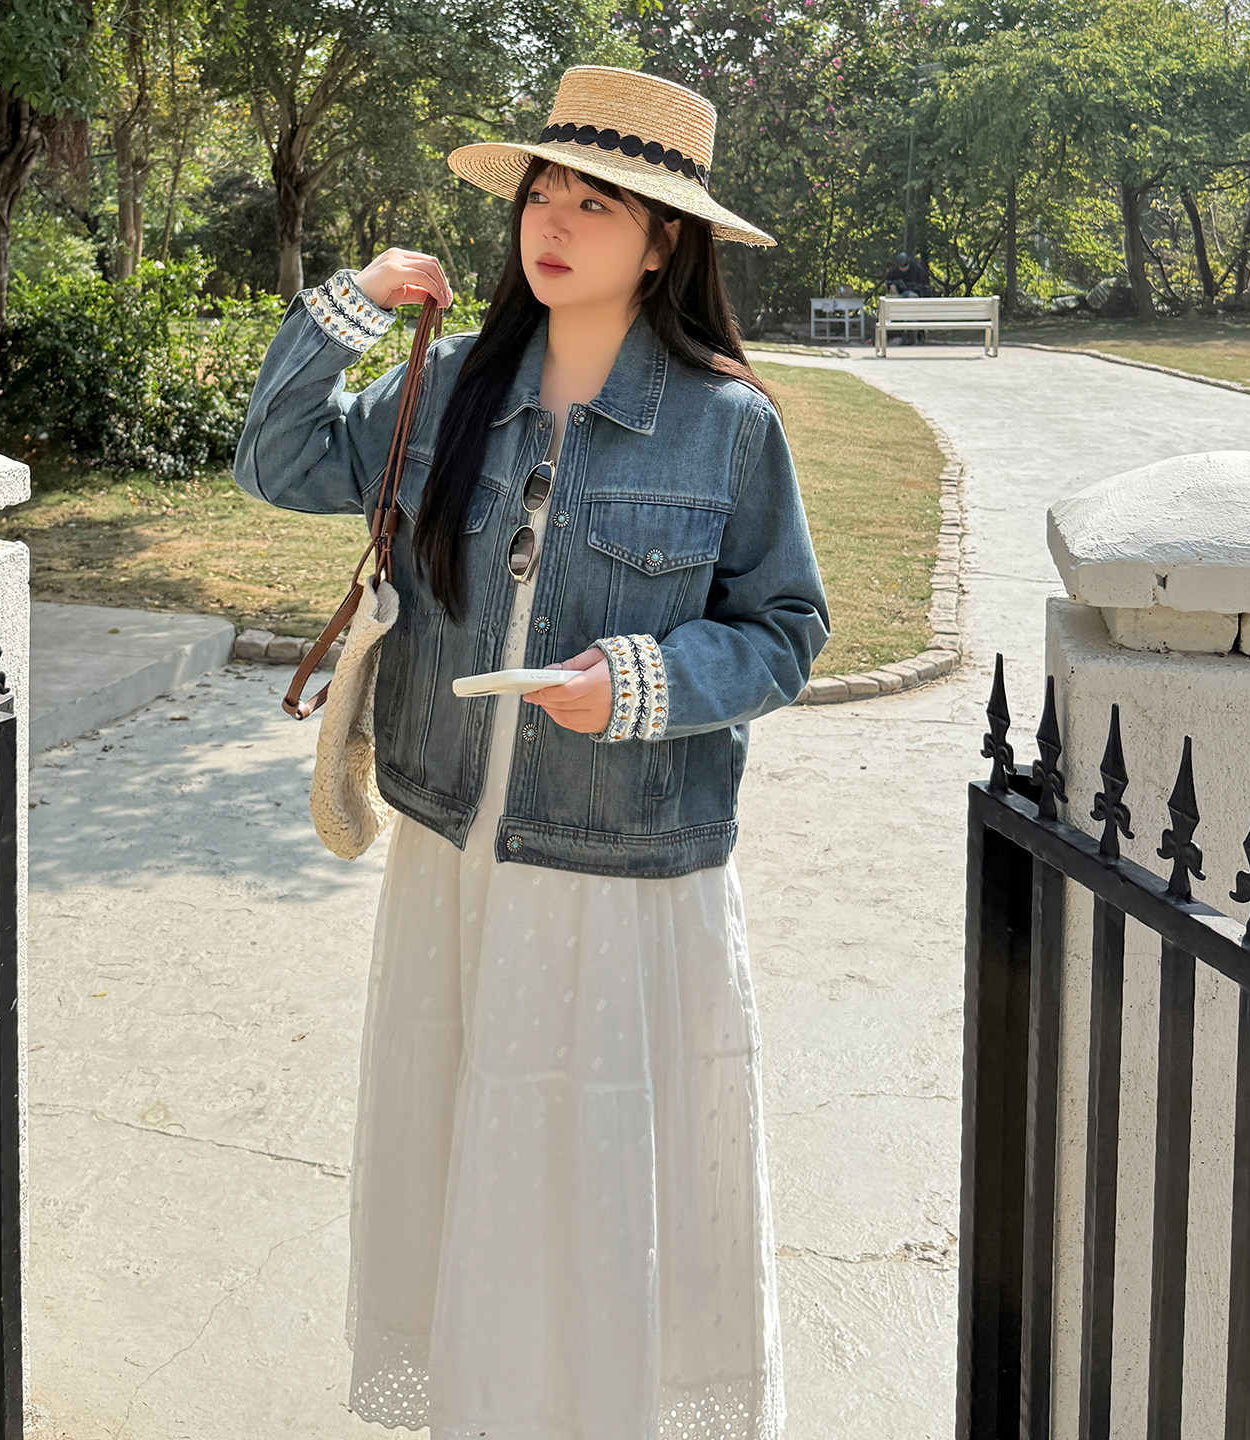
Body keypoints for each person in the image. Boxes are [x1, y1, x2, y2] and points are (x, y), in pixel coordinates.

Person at [233, 64, 828, 1440]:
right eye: (542, 194)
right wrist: (350, 309)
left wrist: (640, 683)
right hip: (454, 855)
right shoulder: (450, 388)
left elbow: (785, 631)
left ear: (664, 242)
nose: (552, 223)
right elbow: (275, 462)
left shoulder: (728, 425)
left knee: (602, 1171)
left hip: (626, 875)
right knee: (467, 1155)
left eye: (595, 204)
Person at [883, 249, 932, 344]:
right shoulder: (894, 271)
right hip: (899, 298)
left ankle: (915, 337)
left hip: (915, 299)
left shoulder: (918, 270)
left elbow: (924, 287)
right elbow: (888, 281)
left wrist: (910, 288)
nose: (903, 269)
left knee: (911, 297)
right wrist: (892, 286)